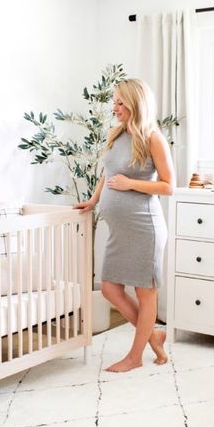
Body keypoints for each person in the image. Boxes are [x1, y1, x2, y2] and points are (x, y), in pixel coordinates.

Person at [74, 78, 174, 372]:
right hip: (120, 230)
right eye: (114, 101)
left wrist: (132, 183)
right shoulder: (116, 133)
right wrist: (92, 201)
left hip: (145, 228)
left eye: (120, 102)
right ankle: (153, 336)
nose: (114, 107)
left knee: (146, 294)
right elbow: (108, 173)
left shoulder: (153, 137)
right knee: (109, 289)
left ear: (136, 104)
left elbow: (169, 186)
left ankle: (135, 357)